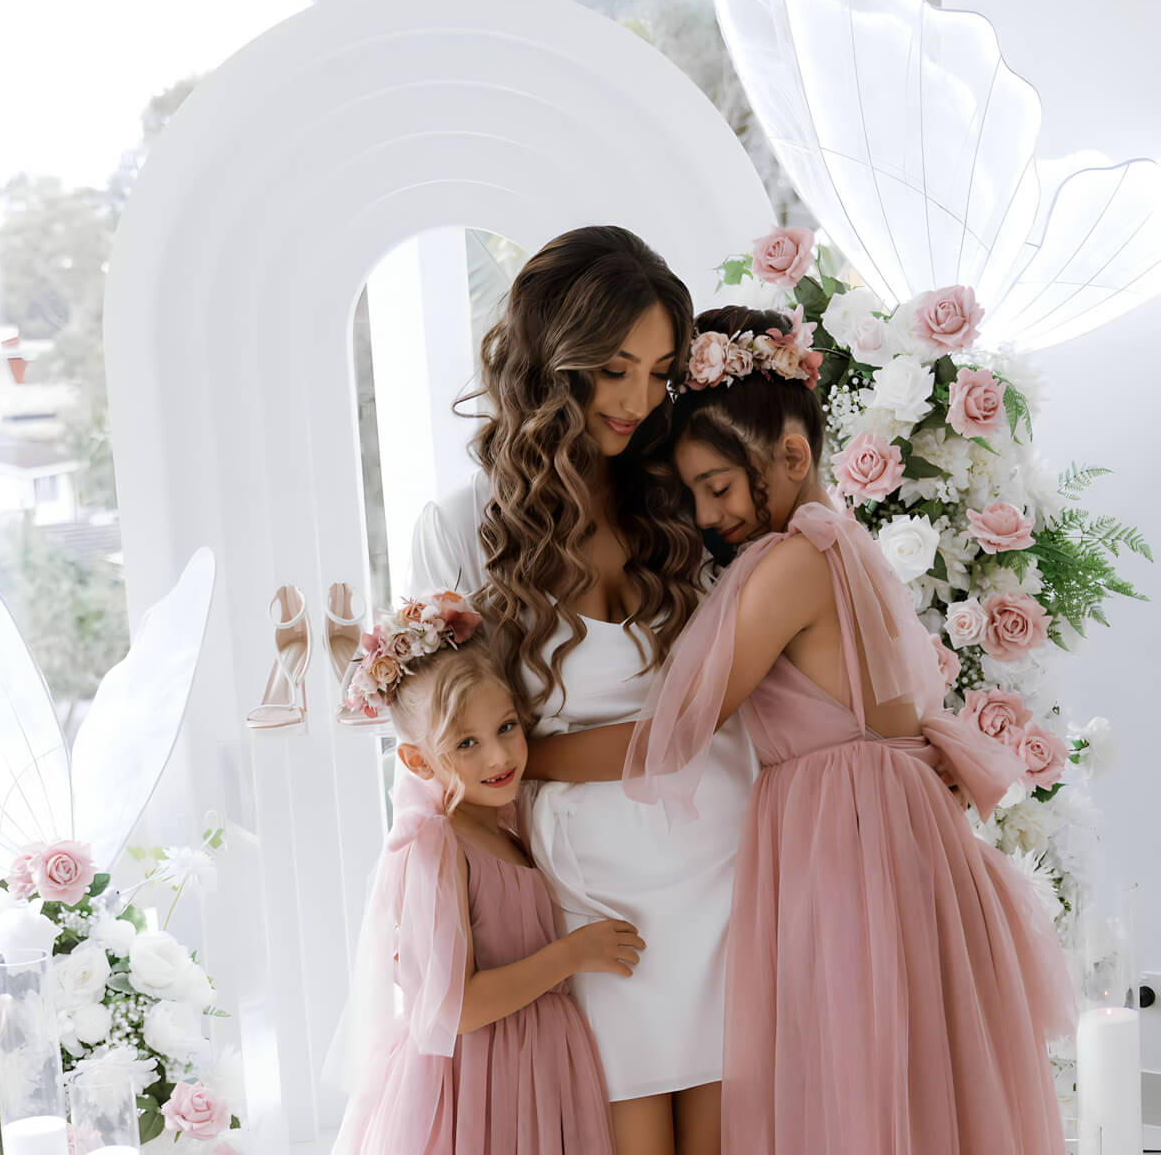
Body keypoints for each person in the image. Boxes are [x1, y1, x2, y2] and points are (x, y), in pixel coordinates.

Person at [537, 304, 1076, 1154]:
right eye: (694, 495)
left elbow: (671, 738)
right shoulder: (842, 544)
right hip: (881, 823)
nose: (709, 516)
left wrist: (525, 757)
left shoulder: (791, 563)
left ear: (791, 456)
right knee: (896, 1074)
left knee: (853, 1073)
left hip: (849, 841)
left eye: (716, 488)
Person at [408, 226, 757, 1155]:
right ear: (549, 364)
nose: (639, 402)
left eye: (659, 372)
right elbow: (446, 738)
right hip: (589, 893)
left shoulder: (683, 498)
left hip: (722, 861)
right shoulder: (461, 529)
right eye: (613, 370)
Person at [330, 588, 636, 1155]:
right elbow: (458, 1009)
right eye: (465, 743)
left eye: (507, 728)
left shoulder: (509, 824)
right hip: (485, 1082)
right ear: (418, 760)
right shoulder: (436, 847)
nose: (498, 757)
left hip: (537, 1068)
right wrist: (573, 953)